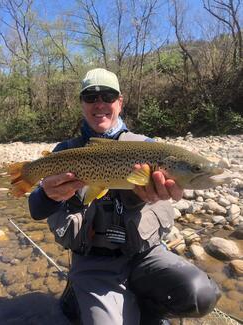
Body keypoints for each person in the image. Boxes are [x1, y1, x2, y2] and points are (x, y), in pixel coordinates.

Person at [28, 68, 221, 325]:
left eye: (108, 96)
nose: (100, 104)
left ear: (120, 102)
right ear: (82, 104)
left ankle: (146, 306)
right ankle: (80, 297)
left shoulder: (149, 147)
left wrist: (142, 196)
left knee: (202, 295)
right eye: (90, 97)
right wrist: (50, 195)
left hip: (144, 255)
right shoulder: (65, 152)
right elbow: (35, 210)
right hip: (94, 262)